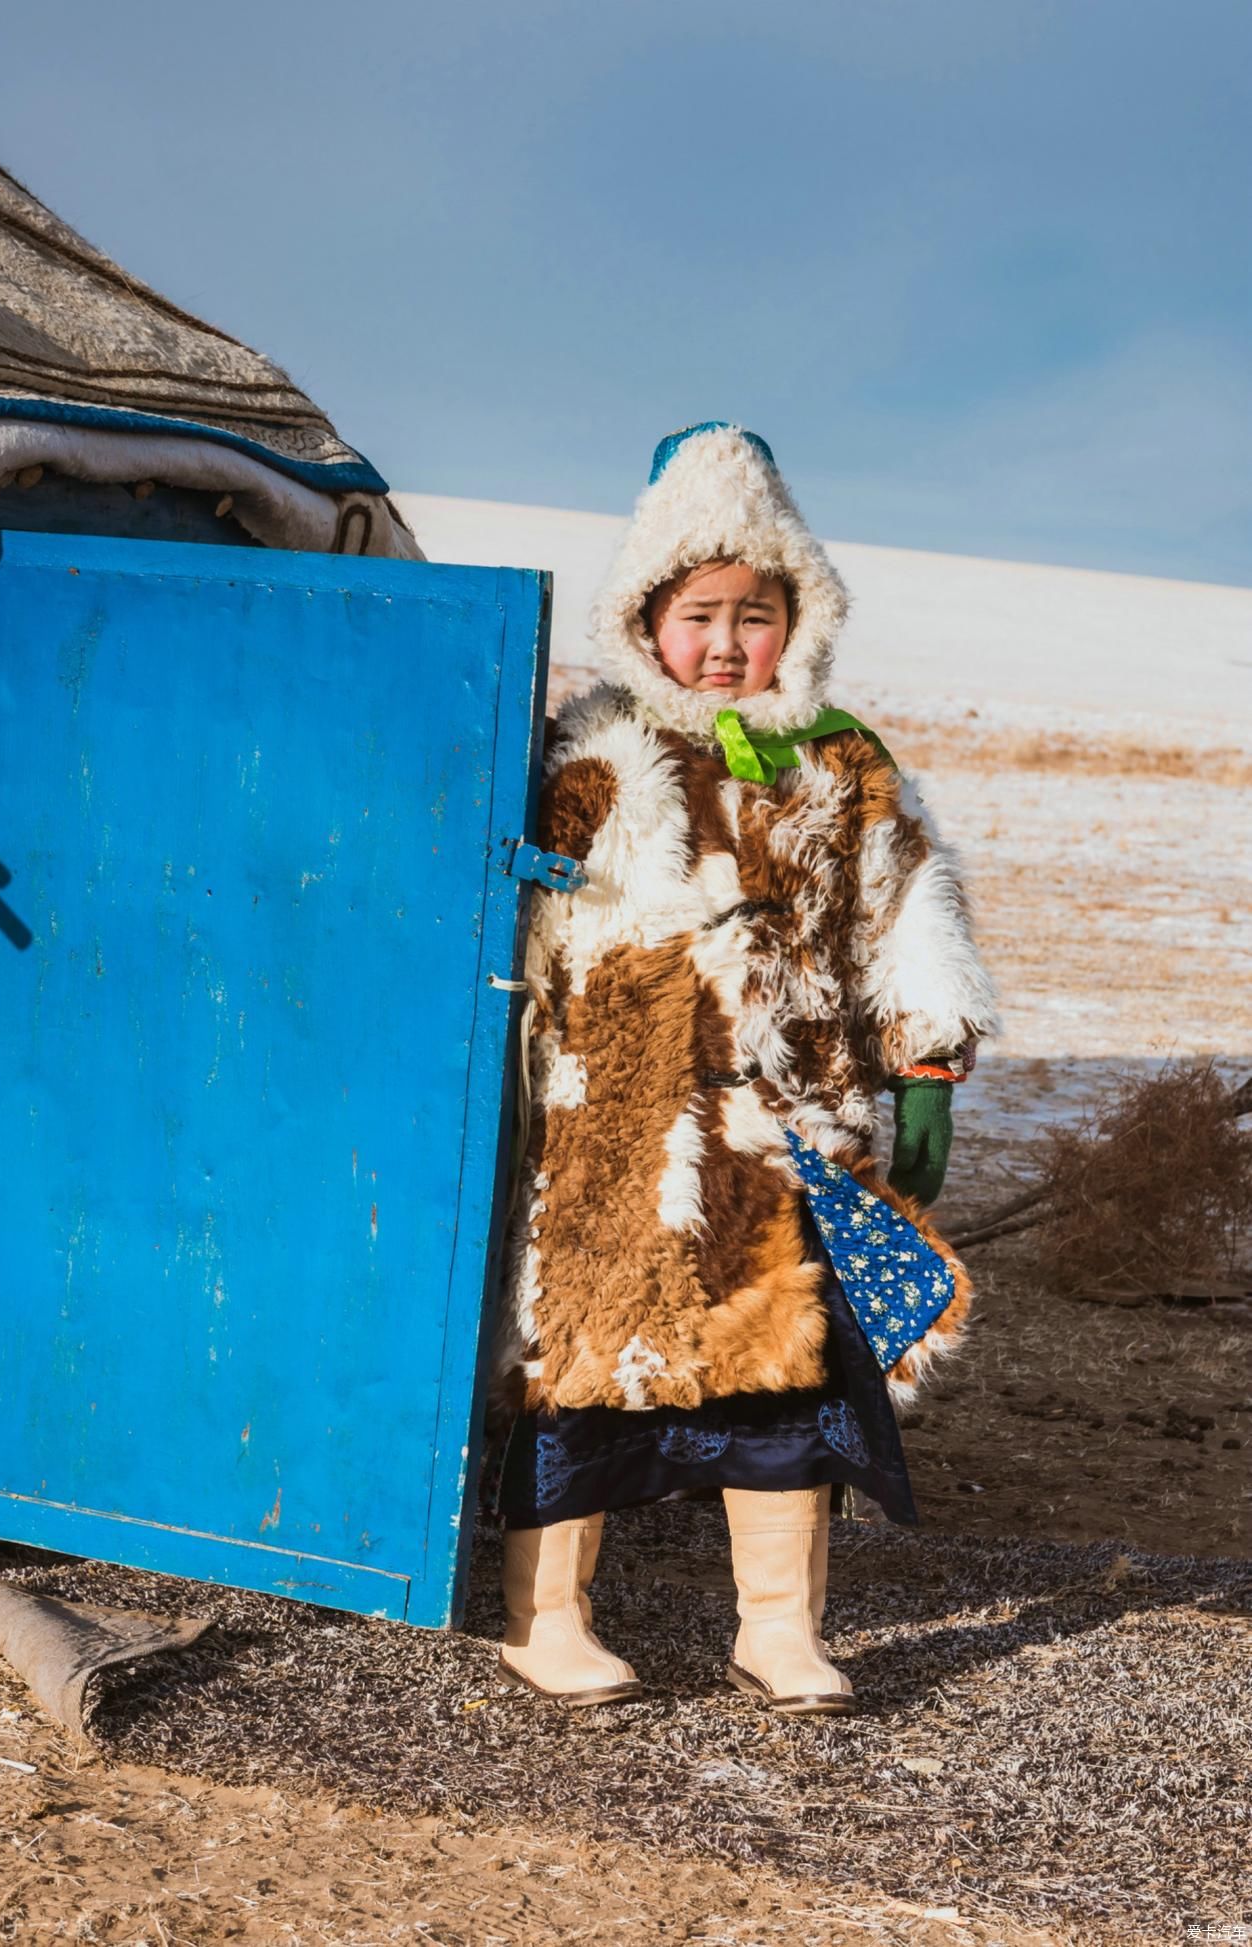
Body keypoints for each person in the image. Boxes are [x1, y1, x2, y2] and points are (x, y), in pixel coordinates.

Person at [485, 422, 997, 1714]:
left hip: (789, 1125)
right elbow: (521, 919)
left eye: (753, 615)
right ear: (645, 616)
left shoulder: (841, 762)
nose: (725, 643)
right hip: (619, 1131)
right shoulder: (590, 752)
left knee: (787, 1380)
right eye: (699, 613)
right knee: (588, 1373)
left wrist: (924, 1062)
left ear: (799, 618)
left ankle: (777, 1628)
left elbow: (906, 903)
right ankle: (547, 1621)